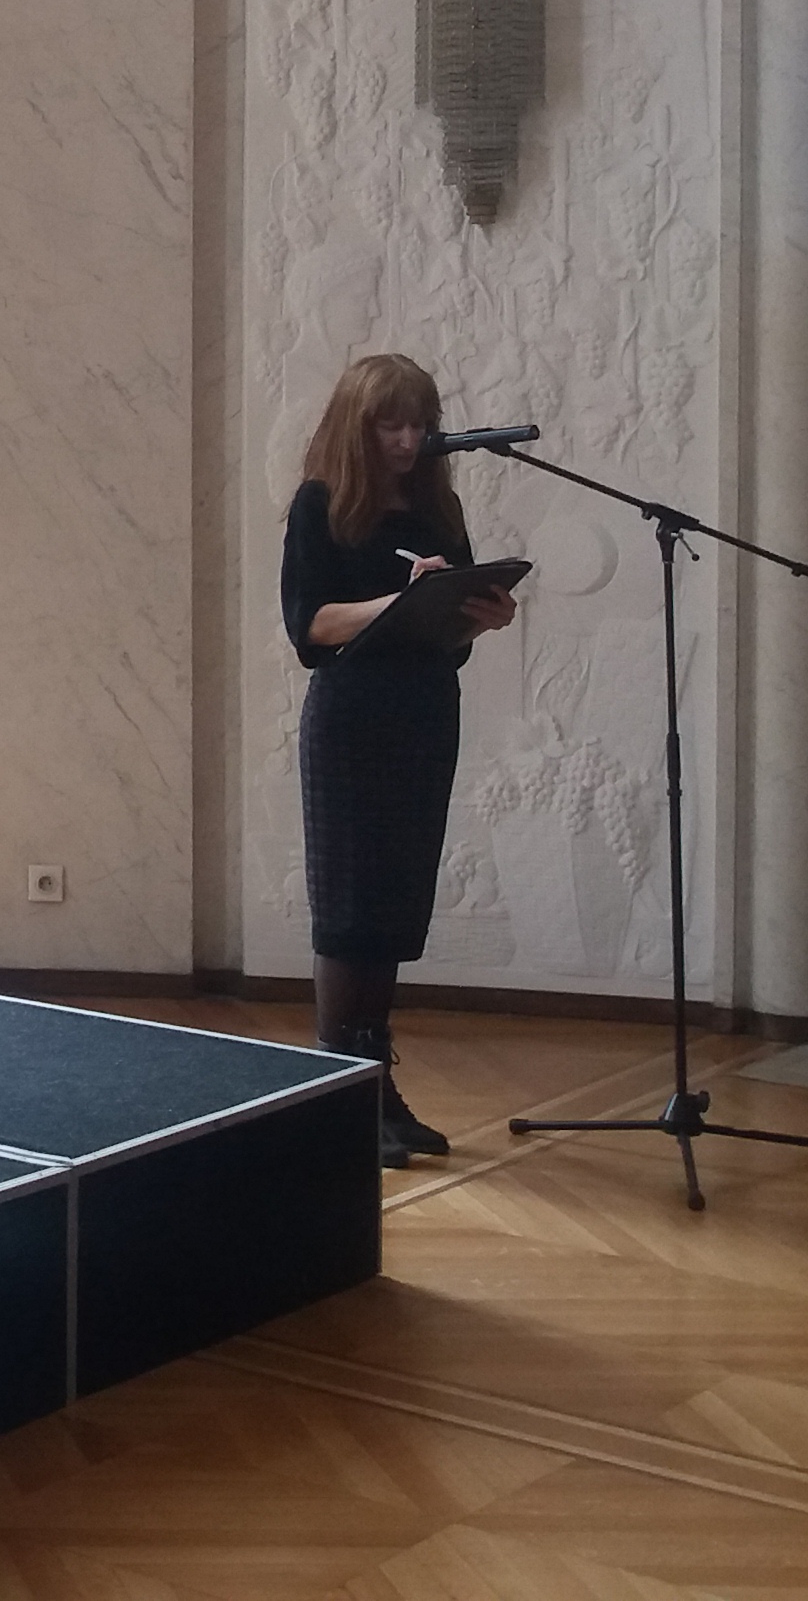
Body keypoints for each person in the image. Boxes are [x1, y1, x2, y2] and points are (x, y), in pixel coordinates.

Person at [280, 355, 519, 1171]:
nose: (410, 439)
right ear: (359, 425)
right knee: (349, 908)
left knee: (394, 905)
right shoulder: (320, 505)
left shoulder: (437, 510)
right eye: (392, 424)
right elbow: (310, 626)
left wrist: (477, 615)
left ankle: (377, 1084)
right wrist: (401, 601)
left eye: (421, 423)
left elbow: (444, 638)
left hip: (422, 715)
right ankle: (338, 1092)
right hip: (352, 721)